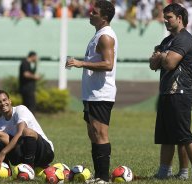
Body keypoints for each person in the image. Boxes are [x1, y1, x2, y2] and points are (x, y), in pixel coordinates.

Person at [66, 0, 117, 183]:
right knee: (93, 134)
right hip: (91, 94)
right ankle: (98, 176)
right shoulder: (98, 34)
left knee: (100, 134)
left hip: (101, 94)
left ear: (104, 17)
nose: (90, 13)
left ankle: (103, 178)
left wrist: (81, 63)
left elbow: (108, 64)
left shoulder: (106, 36)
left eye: (94, 12)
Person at [149, 3, 192, 180]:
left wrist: (162, 55)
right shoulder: (167, 40)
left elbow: (169, 63)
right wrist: (163, 55)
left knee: (183, 135)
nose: (165, 21)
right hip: (166, 92)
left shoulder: (184, 39)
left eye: (169, 17)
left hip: (180, 92)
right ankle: (165, 171)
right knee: (166, 135)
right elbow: (153, 64)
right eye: (164, 17)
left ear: (179, 18)